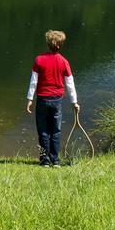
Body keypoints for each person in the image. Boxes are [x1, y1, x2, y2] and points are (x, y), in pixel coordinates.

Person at [25, 29, 79, 167]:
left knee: (43, 131)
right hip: (57, 100)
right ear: (60, 45)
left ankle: (44, 161)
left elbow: (33, 81)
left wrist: (30, 99)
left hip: (42, 99)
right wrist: (74, 102)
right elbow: (70, 83)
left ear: (48, 44)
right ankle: (55, 160)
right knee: (55, 131)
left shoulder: (39, 60)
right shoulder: (64, 62)